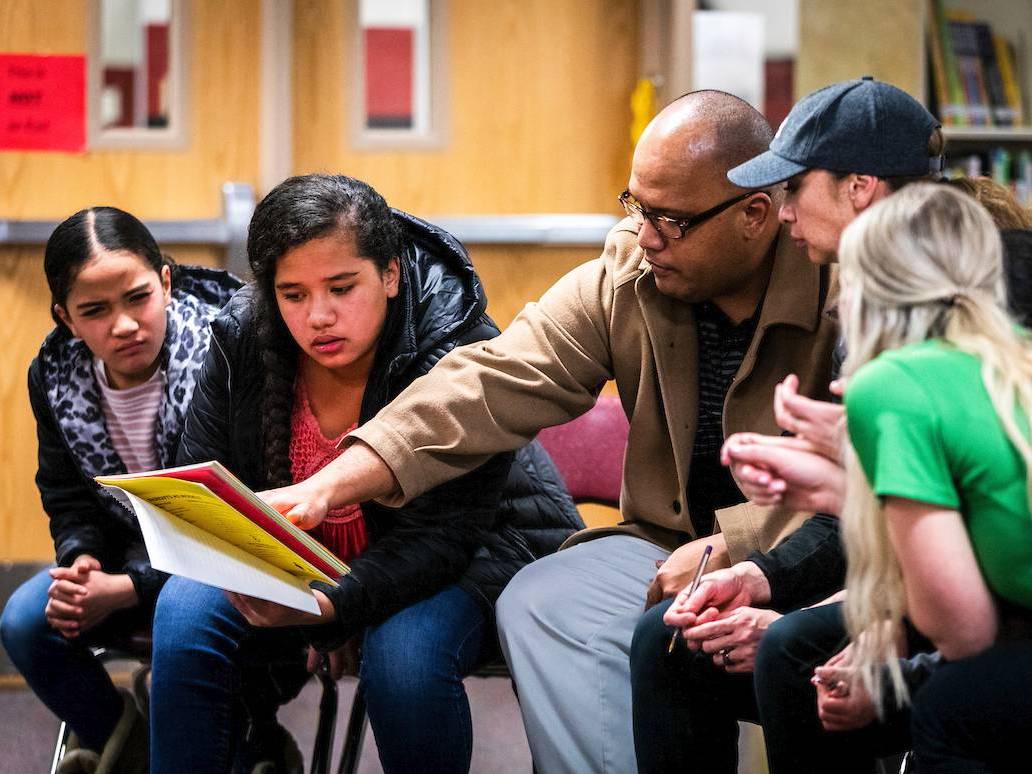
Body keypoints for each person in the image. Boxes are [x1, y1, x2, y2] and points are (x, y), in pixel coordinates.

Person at [252, 91, 841, 773]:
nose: (647, 236)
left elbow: (871, 484)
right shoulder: (631, 278)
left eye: (671, 220)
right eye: (637, 206)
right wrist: (331, 484)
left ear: (755, 215)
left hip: (816, 549)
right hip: (666, 546)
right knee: (543, 599)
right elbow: (489, 383)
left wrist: (735, 545)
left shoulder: (841, 294)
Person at [147, 174, 581, 774]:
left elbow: (442, 539)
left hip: (474, 551)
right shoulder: (244, 332)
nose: (318, 317)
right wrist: (321, 597)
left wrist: (339, 606)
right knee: (185, 611)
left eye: (341, 287)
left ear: (391, 274)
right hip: (310, 562)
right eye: (292, 294)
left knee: (403, 654)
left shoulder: (455, 341)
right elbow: (204, 490)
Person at [630, 77, 947, 773]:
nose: (783, 213)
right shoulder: (864, 307)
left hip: (975, 596)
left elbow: (966, 522)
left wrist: (871, 623)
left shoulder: (971, 302)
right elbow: (858, 521)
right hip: (908, 579)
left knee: (789, 649)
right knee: (672, 639)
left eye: (795, 188)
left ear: (859, 188)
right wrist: (757, 579)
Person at [0, 207, 240, 773]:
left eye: (138, 297)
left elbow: (232, 511)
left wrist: (129, 588)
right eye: (95, 311)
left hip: (222, 557)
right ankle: (122, 740)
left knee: (184, 627)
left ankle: (243, 747)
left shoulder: (224, 351)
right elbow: (65, 492)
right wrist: (80, 560)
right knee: (26, 620)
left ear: (165, 281)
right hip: (122, 557)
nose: (125, 324)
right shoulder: (54, 375)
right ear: (66, 318)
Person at [838, 183, 1032, 772]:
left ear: (865, 292)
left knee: (947, 703)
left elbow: (964, 630)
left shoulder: (891, 387)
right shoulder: (1013, 358)